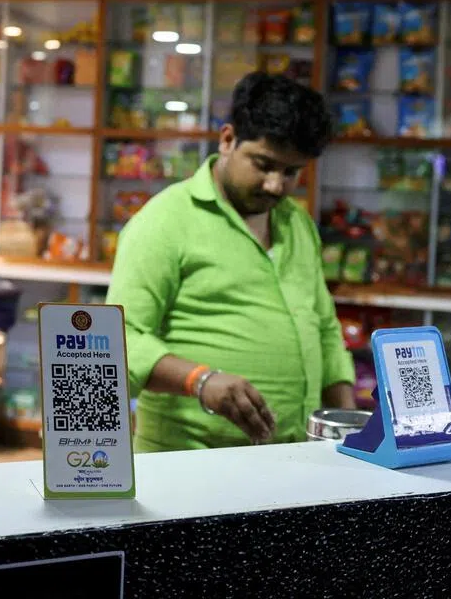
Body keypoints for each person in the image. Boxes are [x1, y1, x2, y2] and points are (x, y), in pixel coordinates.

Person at [106, 72, 355, 452]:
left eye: (291, 172)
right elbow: (119, 338)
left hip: (294, 456)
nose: (275, 185)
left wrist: (348, 420)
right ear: (227, 140)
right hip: (190, 461)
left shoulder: (297, 223)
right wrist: (200, 381)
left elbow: (324, 329)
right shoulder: (164, 221)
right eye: (263, 164)